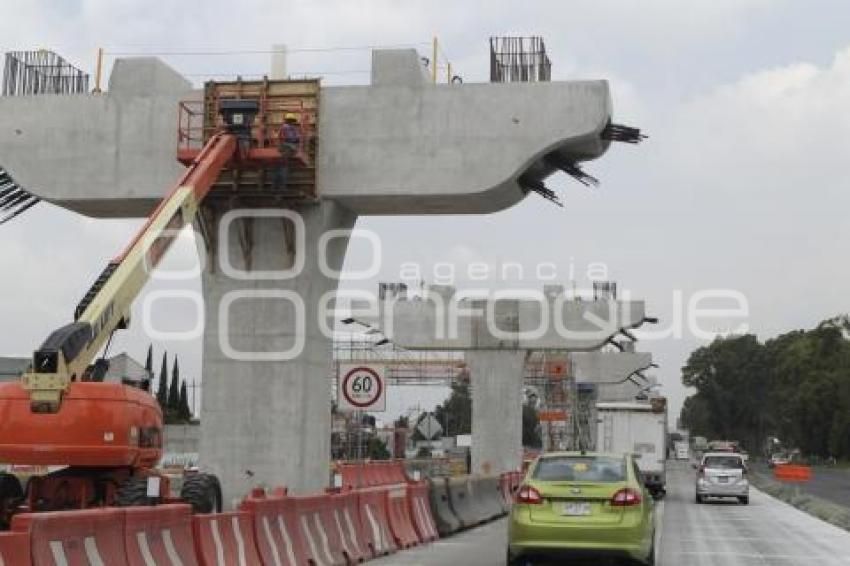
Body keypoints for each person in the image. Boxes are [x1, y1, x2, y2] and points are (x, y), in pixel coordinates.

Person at [273, 113, 301, 190]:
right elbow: (292, 138)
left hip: (283, 148)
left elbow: (280, 137)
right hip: (288, 147)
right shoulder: (289, 128)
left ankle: (275, 187)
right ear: (291, 120)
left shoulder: (283, 127)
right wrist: (297, 139)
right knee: (283, 167)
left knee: (279, 167)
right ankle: (282, 187)